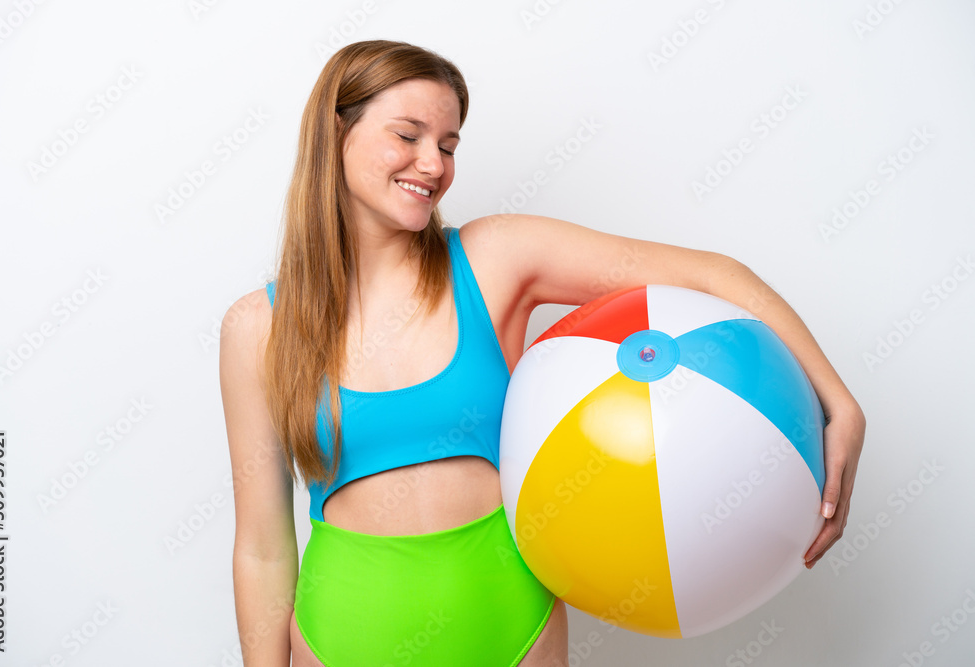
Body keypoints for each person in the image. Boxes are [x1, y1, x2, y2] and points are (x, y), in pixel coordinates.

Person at [219, 39, 865, 667]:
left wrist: (840, 405)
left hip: (512, 626)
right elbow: (263, 548)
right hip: (342, 638)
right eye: (408, 135)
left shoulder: (495, 259)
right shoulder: (257, 328)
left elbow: (716, 275)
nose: (433, 164)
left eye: (448, 145)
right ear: (337, 133)